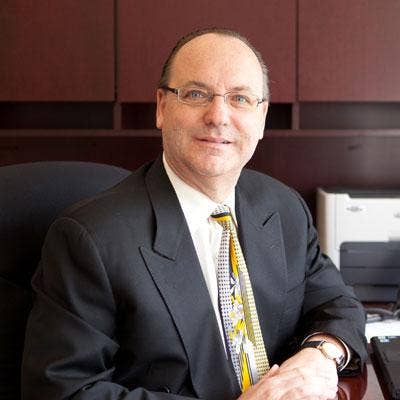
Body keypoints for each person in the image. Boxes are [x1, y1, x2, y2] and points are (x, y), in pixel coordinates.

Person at [22, 28, 367, 400]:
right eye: (196, 94)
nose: (218, 116)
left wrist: (320, 356)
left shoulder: (283, 207)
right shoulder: (89, 238)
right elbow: (67, 391)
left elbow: (337, 303)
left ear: (262, 117)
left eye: (240, 98)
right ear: (162, 107)